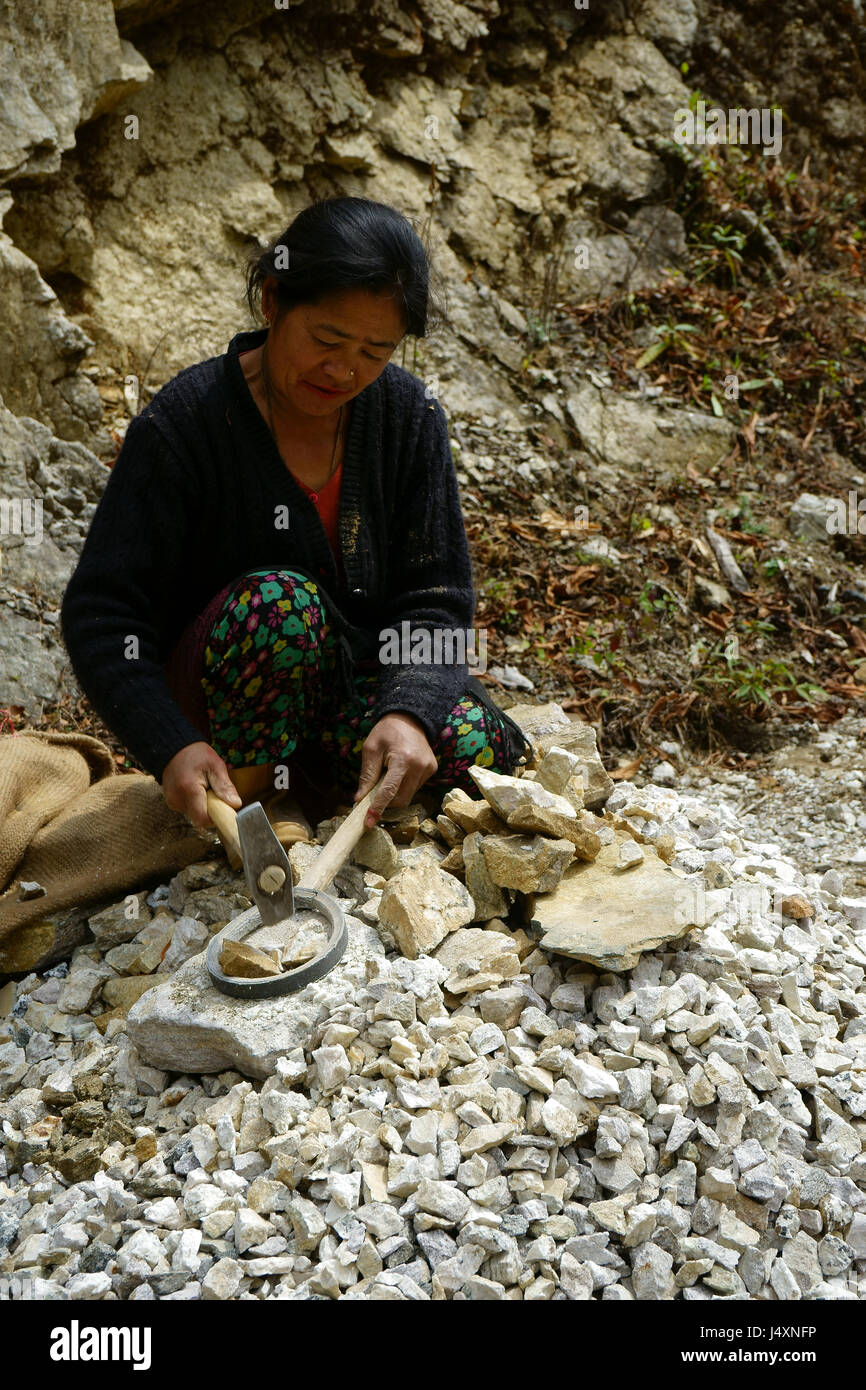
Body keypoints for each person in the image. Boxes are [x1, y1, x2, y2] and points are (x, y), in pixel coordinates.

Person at [61, 196, 528, 840]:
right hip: (224, 708)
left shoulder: (408, 417)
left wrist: (410, 714)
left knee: (482, 746)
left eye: (375, 350)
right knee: (278, 605)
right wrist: (168, 743)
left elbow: (437, 601)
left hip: (341, 693)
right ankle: (250, 807)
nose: (344, 370)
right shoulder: (186, 425)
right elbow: (102, 615)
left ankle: (314, 785)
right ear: (272, 300)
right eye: (327, 339)